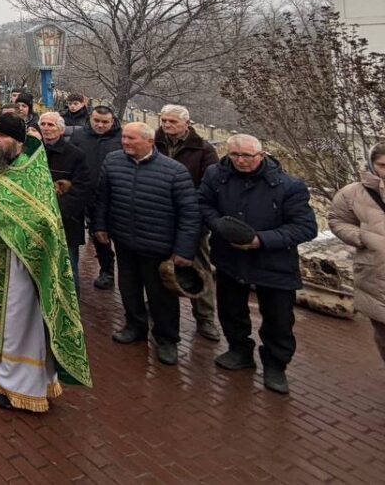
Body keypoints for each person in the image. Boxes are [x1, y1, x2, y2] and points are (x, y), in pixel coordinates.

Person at [0, 113, 91, 412]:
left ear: (19, 142)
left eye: (3, 136)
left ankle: (14, 384)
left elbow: (44, 221)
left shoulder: (32, 175)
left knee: (13, 324)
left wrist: (15, 229)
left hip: (15, 260)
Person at [199, 134, 317, 395]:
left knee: (278, 319)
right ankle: (239, 350)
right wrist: (220, 226)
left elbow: (305, 227)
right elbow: (204, 205)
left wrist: (260, 240)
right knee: (231, 311)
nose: (240, 161)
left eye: (247, 156)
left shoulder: (288, 186)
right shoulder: (216, 175)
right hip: (230, 259)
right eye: (235, 155)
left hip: (273, 263)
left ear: (261, 155)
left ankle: (276, 365)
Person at [94, 122, 199, 366]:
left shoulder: (175, 171)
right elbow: (102, 198)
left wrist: (183, 250)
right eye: (124, 138)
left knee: (161, 296)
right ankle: (134, 326)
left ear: (149, 141)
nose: (125, 142)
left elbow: (189, 214)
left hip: (158, 246)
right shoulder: (113, 161)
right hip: (125, 240)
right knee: (128, 288)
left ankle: (167, 340)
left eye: (131, 139)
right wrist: (100, 226)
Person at [156, 104, 221, 342]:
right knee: (157, 264)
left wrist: (187, 201)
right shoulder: (155, 143)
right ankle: (158, 308)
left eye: (172, 121)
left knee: (199, 267)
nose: (167, 125)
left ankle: (205, 317)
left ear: (186, 123)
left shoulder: (203, 149)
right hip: (159, 215)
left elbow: (211, 184)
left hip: (191, 217)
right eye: (164, 121)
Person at [329, 142, 385, 367]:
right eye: (382, 165)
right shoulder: (352, 193)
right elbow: (336, 220)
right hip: (376, 276)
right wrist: (361, 237)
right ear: (372, 164)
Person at [69, 105, 122, 290]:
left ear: (112, 121)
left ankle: (119, 272)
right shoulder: (79, 136)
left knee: (112, 235)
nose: (100, 125)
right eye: (96, 121)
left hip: (114, 196)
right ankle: (106, 269)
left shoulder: (121, 138)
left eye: (105, 122)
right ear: (90, 119)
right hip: (86, 194)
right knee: (98, 236)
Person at [38, 112, 92, 290]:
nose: (46, 128)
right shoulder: (33, 151)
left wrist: (56, 211)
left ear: (61, 130)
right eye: (43, 124)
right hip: (37, 221)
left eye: (51, 125)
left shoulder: (76, 155)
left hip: (65, 223)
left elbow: (81, 190)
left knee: (68, 269)